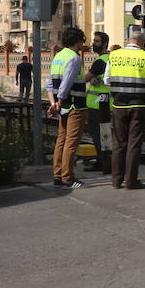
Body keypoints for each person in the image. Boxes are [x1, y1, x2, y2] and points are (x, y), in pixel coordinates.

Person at [105, 30, 145, 190]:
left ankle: (116, 180)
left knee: (118, 143)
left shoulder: (114, 55)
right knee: (134, 144)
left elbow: (106, 79)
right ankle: (131, 181)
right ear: (142, 42)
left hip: (118, 105)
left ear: (129, 40)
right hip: (139, 106)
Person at [47, 28, 89, 189]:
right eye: (82, 40)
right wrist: (61, 99)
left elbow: (50, 84)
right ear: (77, 41)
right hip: (75, 105)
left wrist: (54, 103)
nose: (83, 43)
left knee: (61, 141)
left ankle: (57, 176)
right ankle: (68, 178)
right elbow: (67, 83)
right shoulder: (74, 58)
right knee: (71, 142)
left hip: (62, 106)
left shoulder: (58, 57)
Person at [83, 32, 112, 174]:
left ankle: (103, 163)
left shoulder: (100, 62)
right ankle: (107, 162)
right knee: (106, 135)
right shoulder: (111, 58)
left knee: (98, 136)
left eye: (97, 41)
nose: (94, 43)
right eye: (94, 41)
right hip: (108, 103)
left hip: (97, 104)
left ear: (105, 43)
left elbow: (85, 79)